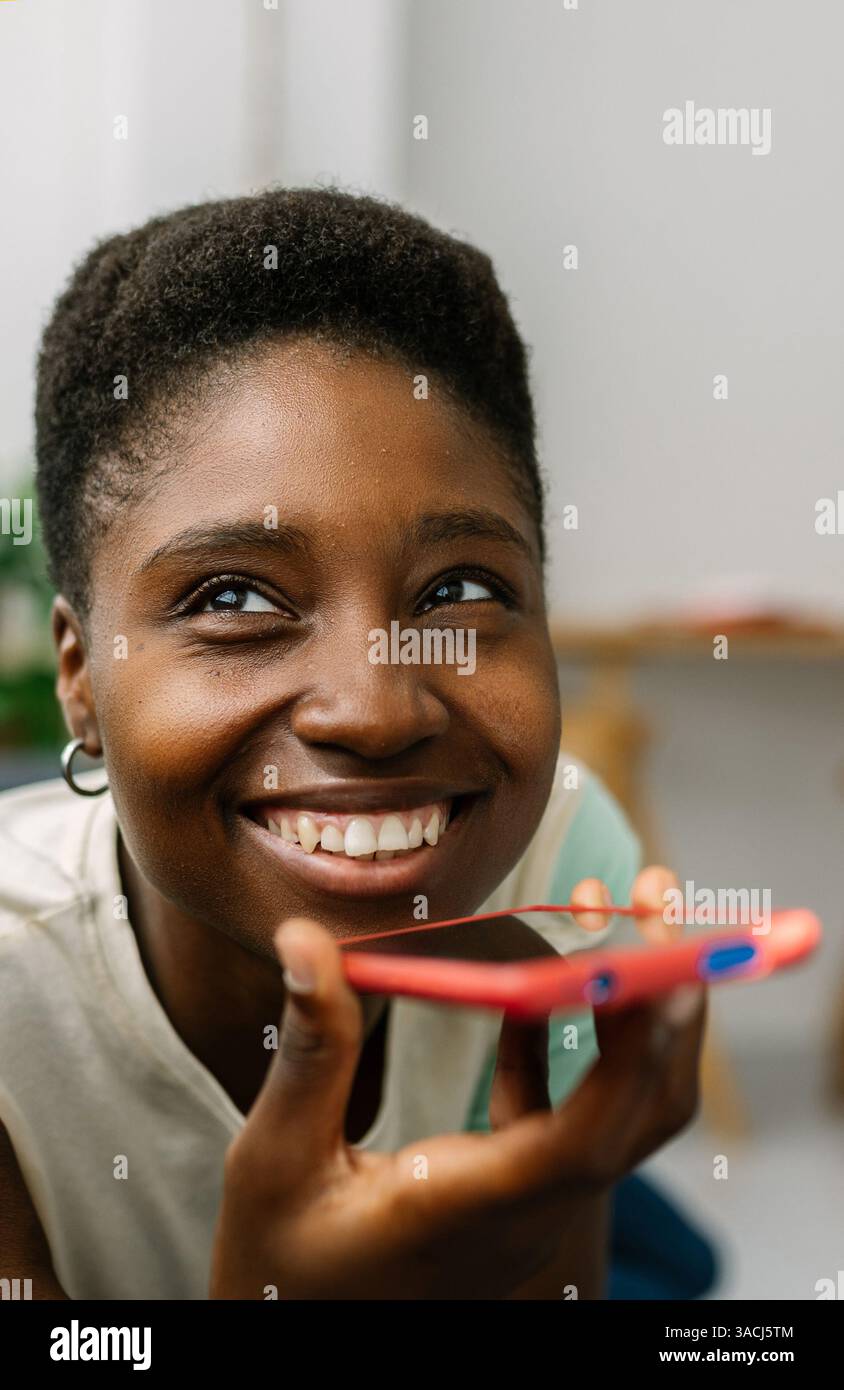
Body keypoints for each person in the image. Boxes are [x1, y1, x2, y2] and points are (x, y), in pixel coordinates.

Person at [0, 188, 706, 1299]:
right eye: (233, 595)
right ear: (81, 678)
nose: (374, 710)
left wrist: (562, 1190)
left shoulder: (572, 871)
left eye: (461, 588)